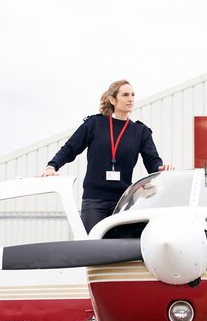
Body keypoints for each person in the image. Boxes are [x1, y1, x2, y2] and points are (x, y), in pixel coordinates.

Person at [39, 79, 173, 232]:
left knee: (122, 250)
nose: (130, 99)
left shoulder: (140, 131)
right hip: (94, 200)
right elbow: (70, 148)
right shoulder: (94, 124)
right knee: (92, 248)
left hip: (124, 201)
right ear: (112, 99)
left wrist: (160, 168)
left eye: (133, 95)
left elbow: (152, 161)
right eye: (125, 95)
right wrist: (52, 166)